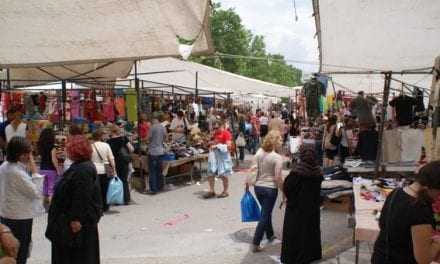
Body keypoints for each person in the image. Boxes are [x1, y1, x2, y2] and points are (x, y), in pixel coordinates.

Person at [45, 135, 102, 264]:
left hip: (74, 225)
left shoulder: (83, 170)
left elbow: (81, 196)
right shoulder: (80, 166)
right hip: (70, 222)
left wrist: (76, 219)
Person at [372, 161, 440, 263]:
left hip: (381, 257)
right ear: (429, 187)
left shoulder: (396, 193)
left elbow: (383, 225)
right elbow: (423, 259)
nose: (437, 196)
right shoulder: (419, 209)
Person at [0, 137, 42, 264]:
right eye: (27, 153)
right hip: (20, 217)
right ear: (19, 154)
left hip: (7, 213)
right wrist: (35, 172)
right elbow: (36, 192)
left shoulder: (5, 166)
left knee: (10, 250)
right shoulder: (16, 172)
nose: (29, 156)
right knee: (20, 250)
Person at [281, 145, 323, 263]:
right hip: (312, 209)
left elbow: (287, 188)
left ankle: (293, 257)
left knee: (295, 233)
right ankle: (310, 256)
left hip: (296, 209)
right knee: (310, 232)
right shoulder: (318, 172)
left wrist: (291, 199)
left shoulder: (297, 172)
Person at [246, 130, 283, 252]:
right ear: (275, 141)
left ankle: (270, 234)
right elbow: (278, 177)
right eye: (280, 140)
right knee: (265, 215)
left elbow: (252, 169)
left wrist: (247, 184)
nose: (281, 142)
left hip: (258, 187)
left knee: (266, 212)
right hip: (270, 189)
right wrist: (284, 191)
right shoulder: (277, 157)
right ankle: (256, 243)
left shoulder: (259, 152)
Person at [204, 120, 233, 199]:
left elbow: (229, 146)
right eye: (214, 128)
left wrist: (217, 146)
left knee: (223, 174)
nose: (215, 129)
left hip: (222, 157)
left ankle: (225, 191)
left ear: (221, 126)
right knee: (210, 173)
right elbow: (210, 142)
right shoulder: (214, 133)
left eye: (217, 127)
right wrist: (209, 142)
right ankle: (212, 191)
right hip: (213, 156)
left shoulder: (226, 133)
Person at [107, 125, 134, 205]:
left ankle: (118, 199)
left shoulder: (109, 141)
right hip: (124, 161)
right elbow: (132, 149)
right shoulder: (124, 138)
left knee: (116, 180)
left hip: (114, 162)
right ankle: (126, 199)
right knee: (124, 180)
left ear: (111, 132)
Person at [91, 129, 116, 212]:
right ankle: (105, 206)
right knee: (105, 188)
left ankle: (98, 206)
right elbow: (111, 158)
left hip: (94, 169)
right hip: (105, 169)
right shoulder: (106, 145)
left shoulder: (91, 146)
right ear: (100, 136)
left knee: (96, 189)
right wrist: (114, 169)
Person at [37, 128, 61, 205]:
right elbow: (53, 159)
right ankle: (51, 207)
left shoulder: (40, 146)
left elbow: (40, 157)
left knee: (44, 189)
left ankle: (43, 206)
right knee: (51, 189)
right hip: (51, 170)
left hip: (42, 169)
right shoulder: (52, 147)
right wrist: (58, 169)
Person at [146, 117, 167, 194]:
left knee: (152, 171)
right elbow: (165, 137)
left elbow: (148, 138)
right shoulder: (163, 127)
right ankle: (160, 187)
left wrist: (147, 141)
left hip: (153, 152)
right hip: (161, 151)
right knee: (159, 170)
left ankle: (154, 189)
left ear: (152, 121)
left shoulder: (152, 128)